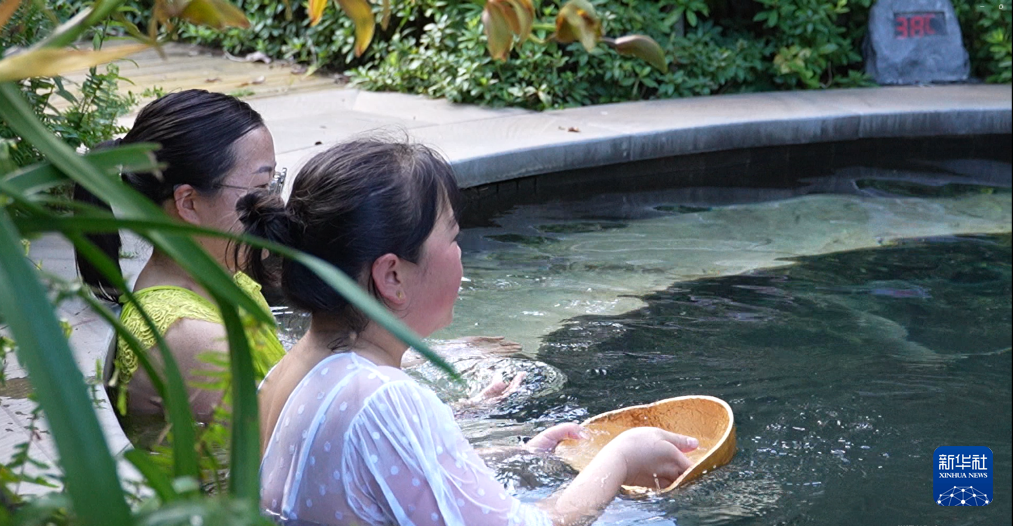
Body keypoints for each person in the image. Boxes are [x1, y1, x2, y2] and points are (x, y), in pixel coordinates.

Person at [244, 138, 699, 525]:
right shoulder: (384, 399)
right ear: (393, 277)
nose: (460, 255)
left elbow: (366, 482)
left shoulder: (288, 373)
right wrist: (618, 460)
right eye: (453, 238)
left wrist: (516, 455)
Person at [75, 89, 286, 419]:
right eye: (260, 189)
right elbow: (283, 442)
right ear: (188, 203)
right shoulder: (192, 336)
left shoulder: (223, 278)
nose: (274, 205)